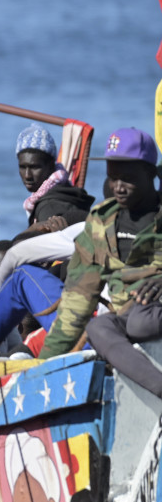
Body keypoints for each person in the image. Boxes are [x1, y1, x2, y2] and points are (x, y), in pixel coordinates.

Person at [39, 129, 162, 397]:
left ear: (152, 173)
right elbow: (78, 296)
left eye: (128, 179)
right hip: (129, 316)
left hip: (155, 309)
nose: (118, 187)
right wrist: (43, 365)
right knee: (98, 327)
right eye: (112, 177)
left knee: (140, 322)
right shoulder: (101, 222)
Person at [15, 123, 94, 232]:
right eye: (22, 167)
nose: (27, 175)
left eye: (35, 167)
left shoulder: (49, 207)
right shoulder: (66, 191)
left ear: (51, 165)